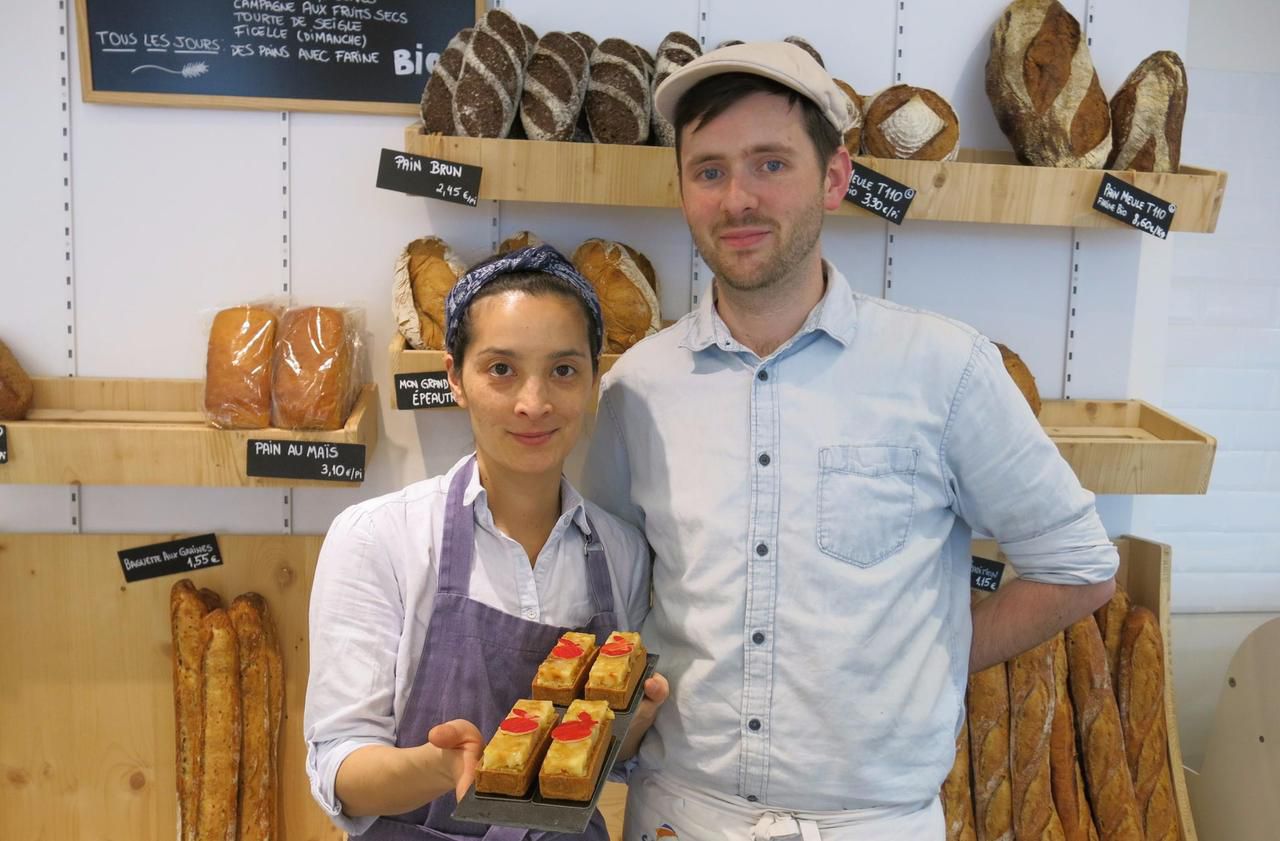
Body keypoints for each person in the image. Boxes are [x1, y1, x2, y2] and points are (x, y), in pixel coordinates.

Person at [582, 42, 1118, 841]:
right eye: (710, 170)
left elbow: (1081, 567)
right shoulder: (638, 386)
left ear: (834, 178)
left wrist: (932, 651)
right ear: (683, 189)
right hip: (682, 816)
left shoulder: (944, 369)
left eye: (771, 164)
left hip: (875, 824)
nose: (738, 199)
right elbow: (612, 591)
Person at [305, 245, 668, 840]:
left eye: (564, 370)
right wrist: (438, 766)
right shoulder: (379, 539)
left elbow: (605, 760)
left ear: (594, 380)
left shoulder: (622, 552)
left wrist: (634, 721)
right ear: (455, 377)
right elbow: (339, 767)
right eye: (501, 368)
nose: (534, 402)